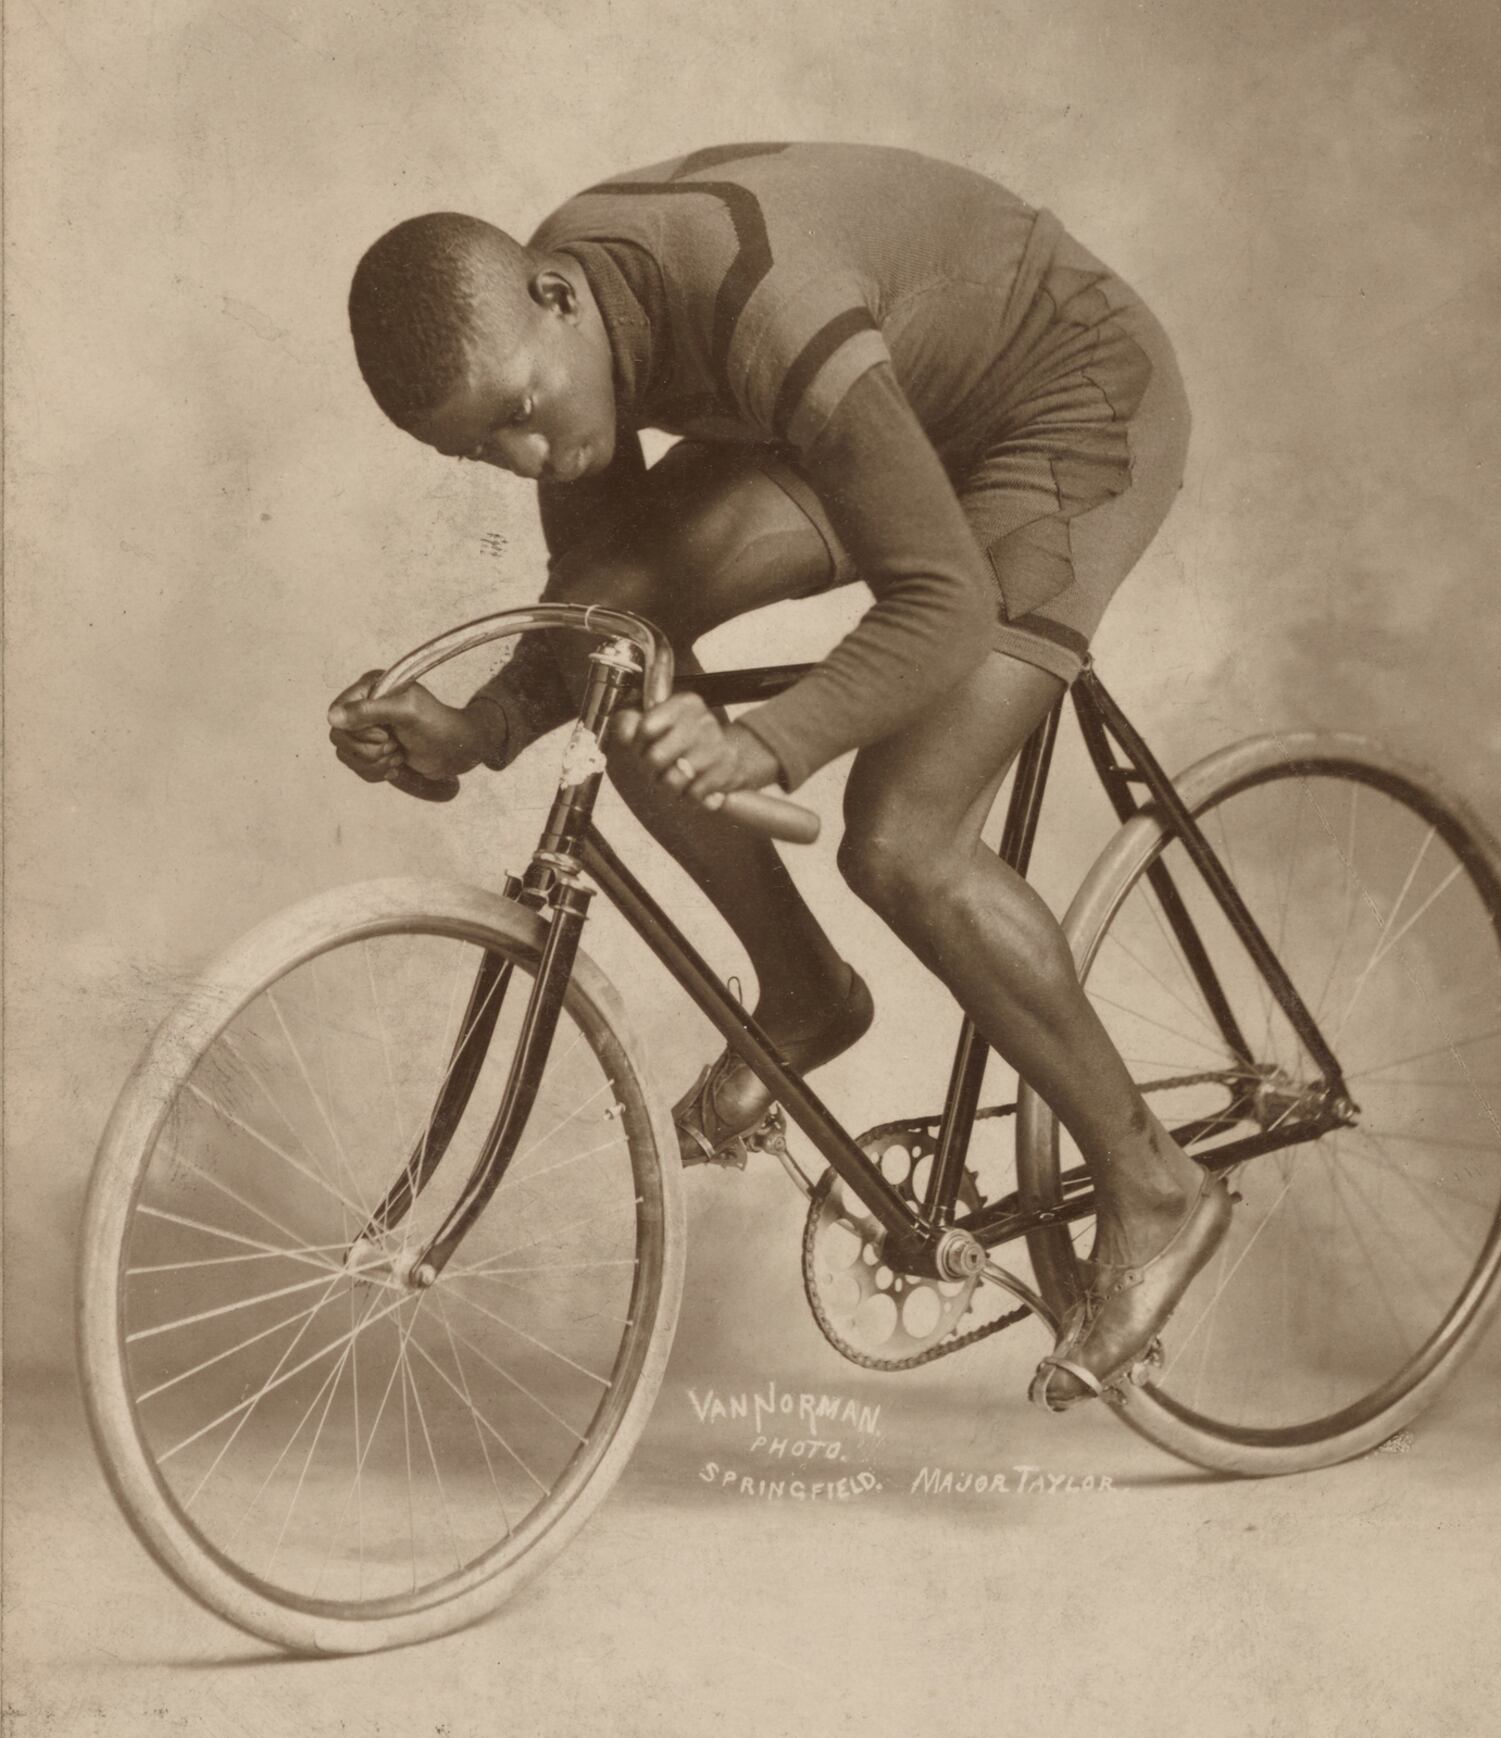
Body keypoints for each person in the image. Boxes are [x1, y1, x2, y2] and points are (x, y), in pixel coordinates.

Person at [327, 142, 1229, 1410]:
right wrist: (474, 733)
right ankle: (804, 994)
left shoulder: (758, 306)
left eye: (523, 412)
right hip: (892, 400)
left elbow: (945, 599)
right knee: (623, 656)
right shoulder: (572, 309)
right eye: (485, 453)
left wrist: (771, 740)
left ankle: (1158, 1187)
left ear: (555, 298)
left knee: (901, 843)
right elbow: (598, 606)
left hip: (1062, 403)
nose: (528, 462)